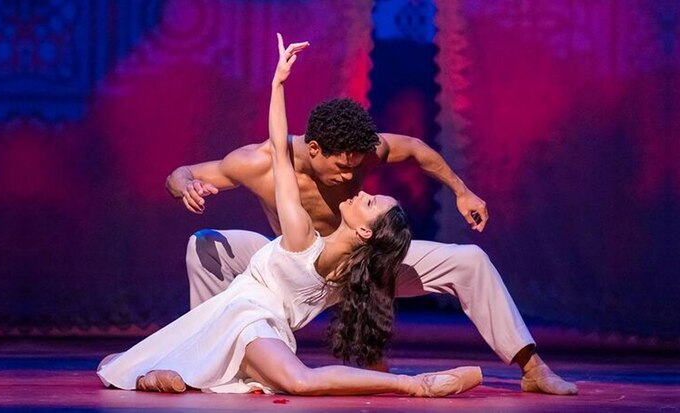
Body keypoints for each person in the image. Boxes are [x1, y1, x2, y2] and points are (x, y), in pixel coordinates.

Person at [167, 39, 577, 397]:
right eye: (341, 168)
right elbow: (183, 173)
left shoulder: (363, 152)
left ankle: (532, 368)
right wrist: (184, 184)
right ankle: (205, 354)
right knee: (204, 242)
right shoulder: (258, 163)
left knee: (470, 259)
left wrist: (461, 190)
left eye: (356, 167)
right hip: (293, 270)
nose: (351, 177)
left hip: (361, 261)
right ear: (313, 149)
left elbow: (416, 148)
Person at [97, 34, 483, 397]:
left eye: (369, 202)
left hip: (270, 329)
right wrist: (278, 84)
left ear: (365, 231)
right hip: (244, 314)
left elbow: (410, 155)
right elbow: (280, 154)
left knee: (275, 377)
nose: (360, 189)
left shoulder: (349, 270)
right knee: (298, 381)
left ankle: (160, 374)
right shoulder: (300, 235)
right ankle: (415, 384)